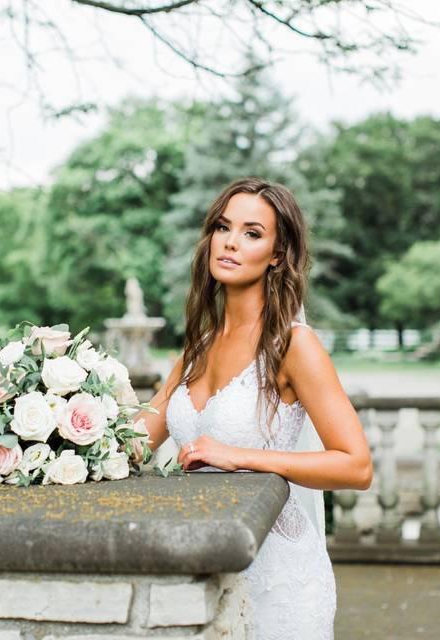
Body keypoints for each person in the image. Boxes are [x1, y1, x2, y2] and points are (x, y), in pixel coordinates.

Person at [137, 177, 373, 639]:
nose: (229, 242)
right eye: (223, 227)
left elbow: (356, 466)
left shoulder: (294, 346)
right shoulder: (193, 352)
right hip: (207, 566)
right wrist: (61, 426)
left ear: (278, 254)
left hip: (282, 577)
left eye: (251, 233)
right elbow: (132, 442)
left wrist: (241, 457)